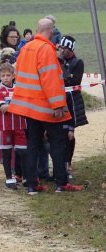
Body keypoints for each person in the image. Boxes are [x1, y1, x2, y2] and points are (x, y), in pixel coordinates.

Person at [8, 18, 82, 195]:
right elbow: (50, 79)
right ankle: (61, 183)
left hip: (28, 105)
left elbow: (20, 73)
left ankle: (32, 185)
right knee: (58, 143)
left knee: (33, 144)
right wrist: (58, 105)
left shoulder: (26, 47)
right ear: (51, 30)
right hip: (45, 106)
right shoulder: (46, 49)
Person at [0, 62, 28, 190]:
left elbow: (25, 104)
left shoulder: (19, 88)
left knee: (23, 152)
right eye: (3, 76)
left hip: (20, 125)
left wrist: (12, 106)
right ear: (0, 77)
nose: (6, 78)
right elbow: (2, 108)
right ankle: (9, 178)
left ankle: (26, 177)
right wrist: (16, 105)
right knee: (6, 154)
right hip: (5, 127)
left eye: (8, 75)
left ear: (13, 76)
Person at [57, 35, 87, 178]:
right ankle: (59, 164)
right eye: (60, 48)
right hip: (59, 99)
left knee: (69, 134)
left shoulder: (78, 62)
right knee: (58, 133)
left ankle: (68, 163)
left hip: (73, 102)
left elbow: (75, 81)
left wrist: (64, 69)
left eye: (64, 48)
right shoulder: (57, 60)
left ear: (71, 49)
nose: (62, 50)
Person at [0, 25, 20, 91]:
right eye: (12, 37)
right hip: (0, 89)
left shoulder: (19, 51)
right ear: (5, 37)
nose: (14, 39)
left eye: (16, 37)